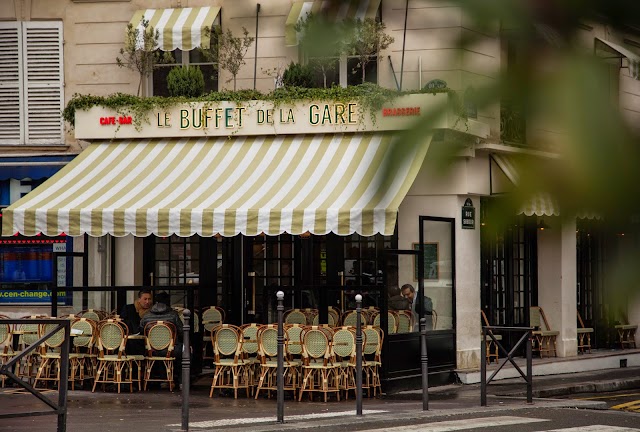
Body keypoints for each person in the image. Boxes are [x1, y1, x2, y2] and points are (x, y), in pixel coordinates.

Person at [139, 291, 183, 386]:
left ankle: (161, 378)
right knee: (185, 353)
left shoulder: (147, 316)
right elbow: (182, 331)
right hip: (171, 350)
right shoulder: (173, 315)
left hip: (151, 350)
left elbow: (141, 331)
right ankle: (181, 381)